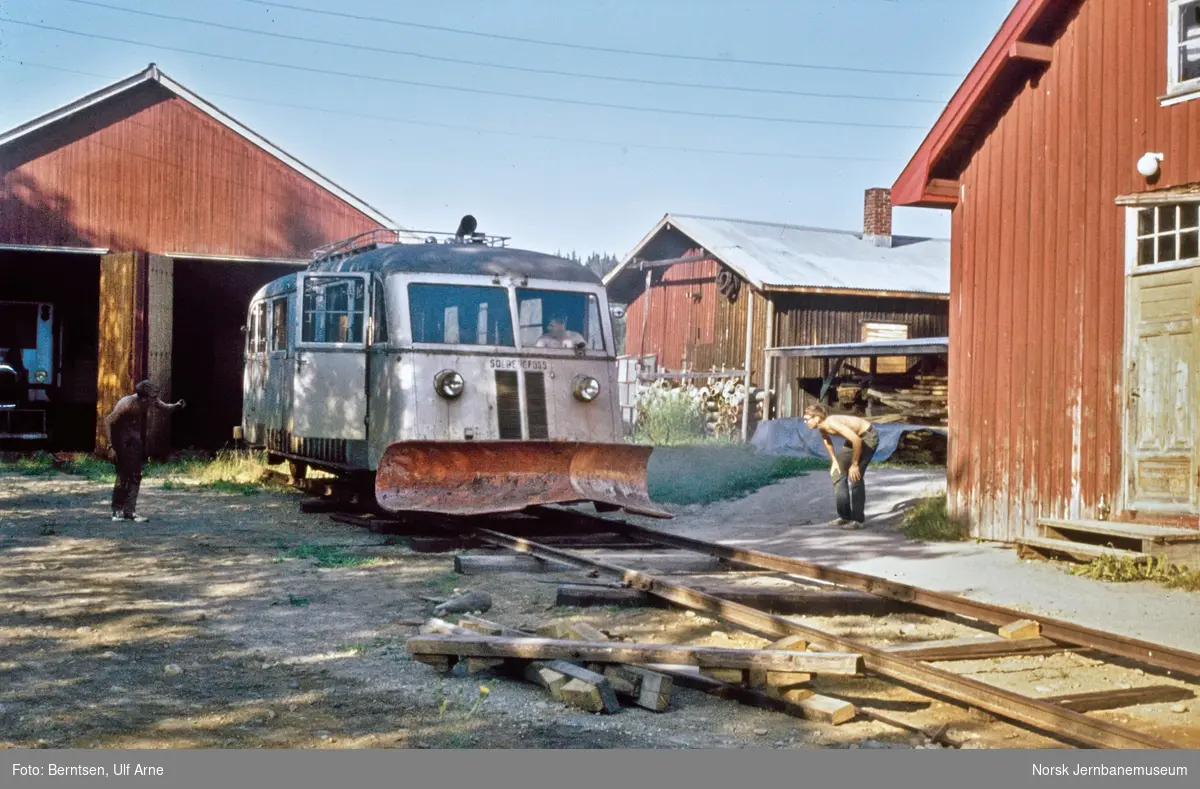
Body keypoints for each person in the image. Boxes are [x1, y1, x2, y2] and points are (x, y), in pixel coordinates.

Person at [103, 380, 185, 522]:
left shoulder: (150, 400)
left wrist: (176, 406)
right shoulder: (127, 404)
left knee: (136, 475)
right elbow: (108, 421)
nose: (155, 400)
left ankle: (129, 511)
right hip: (120, 438)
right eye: (153, 398)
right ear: (144, 397)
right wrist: (110, 447)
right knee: (123, 475)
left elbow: (164, 407)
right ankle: (116, 510)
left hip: (133, 437)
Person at [803, 403, 879, 530]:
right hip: (855, 438)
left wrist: (854, 465)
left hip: (867, 436)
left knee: (855, 476)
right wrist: (834, 460)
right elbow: (827, 440)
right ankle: (845, 516)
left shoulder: (832, 423)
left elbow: (857, 441)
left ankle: (858, 520)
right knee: (837, 473)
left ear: (817, 418)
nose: (805, 422)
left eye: (807, 419)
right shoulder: (822, 426)